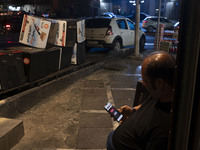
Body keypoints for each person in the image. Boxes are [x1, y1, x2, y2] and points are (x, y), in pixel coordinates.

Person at [106, 51, 176, 150]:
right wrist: (132, 111)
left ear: (159, 83)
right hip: (119, 137)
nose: (143, 83)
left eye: (145, 80)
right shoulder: (159, 93)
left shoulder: (163, 129)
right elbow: (147, 105)